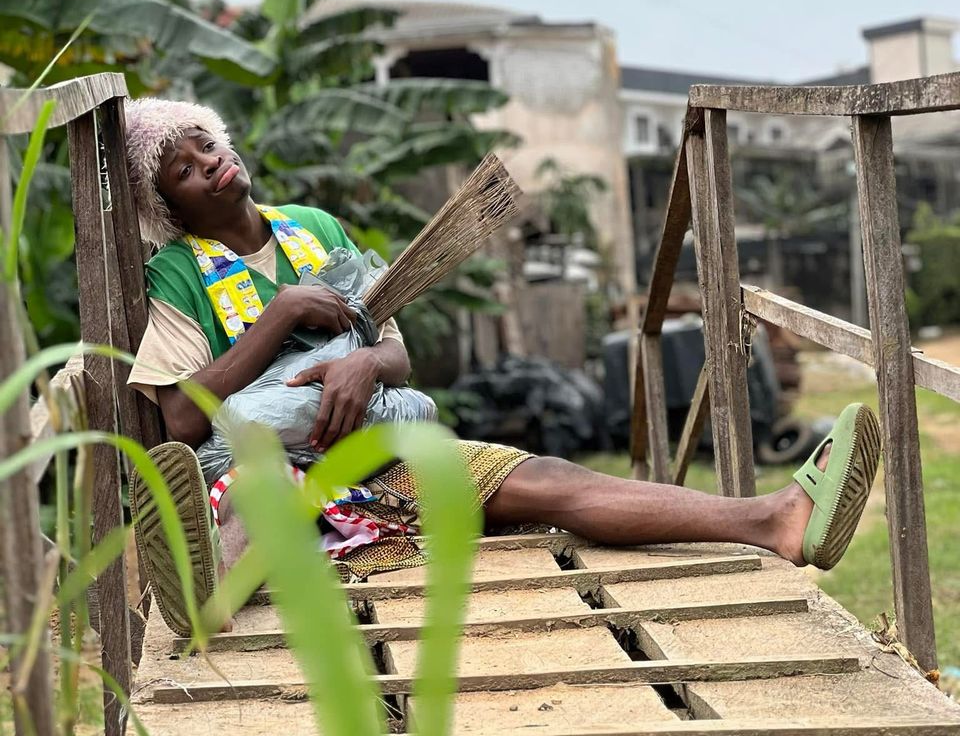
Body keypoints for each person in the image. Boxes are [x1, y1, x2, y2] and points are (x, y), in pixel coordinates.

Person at [125, 99, 882, 637]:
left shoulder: (316, 230)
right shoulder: (177, 276)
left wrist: (367, 369)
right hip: (262, 465)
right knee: (257, 495)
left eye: (207, 147)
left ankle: (775, 520)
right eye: (184, 171)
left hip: (373, 455)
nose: (209, 167)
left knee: (548, 479)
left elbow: (395, 349)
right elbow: (181, 421)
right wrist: (282, 315)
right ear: (170, 209)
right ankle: (210, 595)